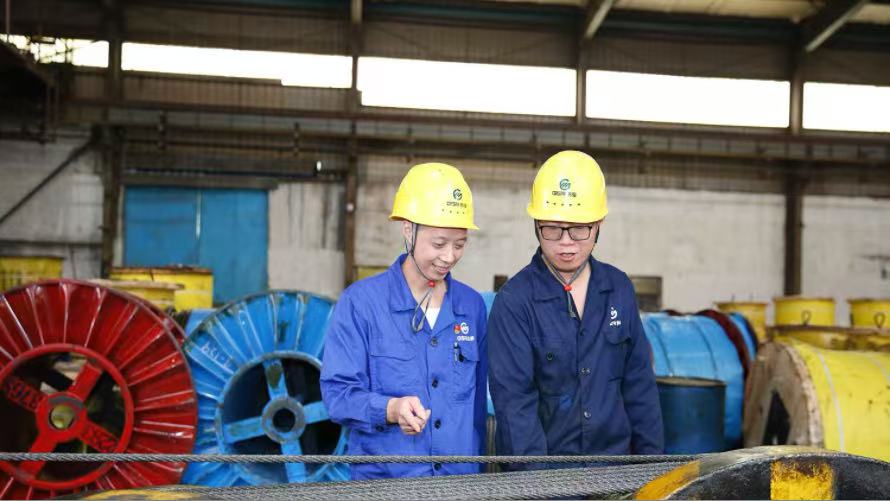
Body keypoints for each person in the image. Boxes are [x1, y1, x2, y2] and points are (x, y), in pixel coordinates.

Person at [488, 150, 663, 470]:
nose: (566, 242)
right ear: (536, 225)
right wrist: (538, 488)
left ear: (599, 224)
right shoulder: (514, 302)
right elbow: (515, 408)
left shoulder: (619, 289)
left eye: (580, 228)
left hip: (616, 474)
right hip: (548, 479)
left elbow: (639, 387)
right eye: (553, 229)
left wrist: (650, 472)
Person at [321, 162, 488, 480]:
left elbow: (477, 412)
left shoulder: (472, 307)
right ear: (408, 230)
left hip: (459, 484)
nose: (449, 256)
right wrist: (390, 409)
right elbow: (338, 396)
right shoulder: (361, 304)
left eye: (460, 244)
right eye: (439, 244)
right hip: (385, 485)